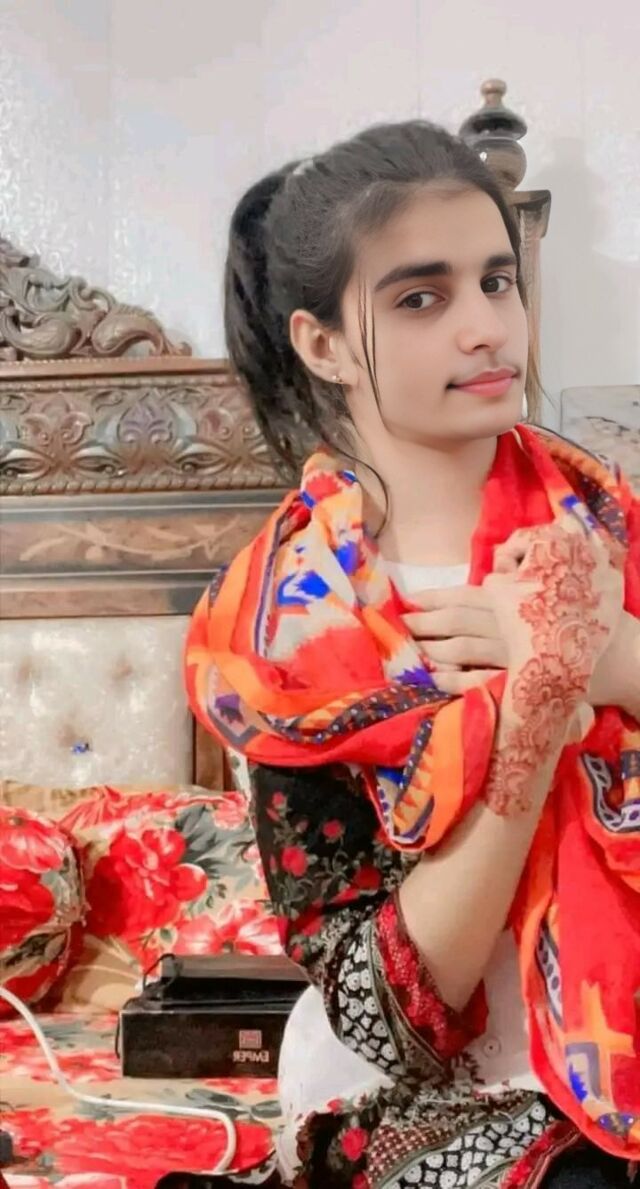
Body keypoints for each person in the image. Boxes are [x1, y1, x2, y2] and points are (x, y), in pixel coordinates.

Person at [185, 120, 640, 1188]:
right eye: (421, 299)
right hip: (434, 1094)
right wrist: (533, 713)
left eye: (496, 281)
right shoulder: (284, 644)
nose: (487, 328)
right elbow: (394, 1016)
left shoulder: (610, 530)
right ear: (322, 345)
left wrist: (618, 661)